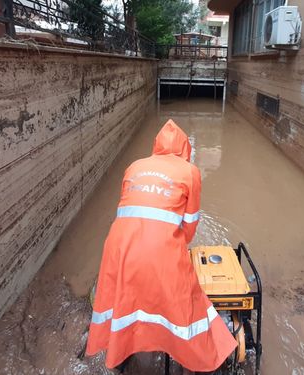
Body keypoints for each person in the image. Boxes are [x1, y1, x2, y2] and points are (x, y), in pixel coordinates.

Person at [85, 119, 237, 372]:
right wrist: (177, 248)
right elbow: (189, 225)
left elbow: (128, 210)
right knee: (184, 302)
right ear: (184, 149)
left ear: (157, 146)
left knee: (125, 300)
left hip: (118, 248)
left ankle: (122, 351)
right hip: (159, 250)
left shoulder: (135, 166)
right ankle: (204, 357)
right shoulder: (190, 172)